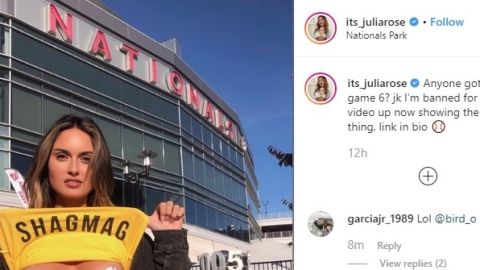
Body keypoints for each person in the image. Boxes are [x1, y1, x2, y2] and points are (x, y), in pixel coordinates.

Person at [0, 114, 191, 270]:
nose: (73, 169)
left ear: (98, 167)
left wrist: (170, 239)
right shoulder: (11, 234)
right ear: (45, 164)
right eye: (62, 156)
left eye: (86, 159)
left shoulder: (126, 234)